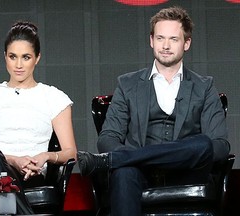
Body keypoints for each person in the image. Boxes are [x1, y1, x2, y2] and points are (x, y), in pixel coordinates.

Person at [77, 6, 230, 216]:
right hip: (140, 172)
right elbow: (108, 137)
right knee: (123, 174)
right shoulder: (128, 84)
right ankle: (126, 162)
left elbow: (221, 146)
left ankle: (120, 159)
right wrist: (134, 161)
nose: (165, 46)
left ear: (186, 43)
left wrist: (124, 156)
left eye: (173, 39)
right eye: (160, 38)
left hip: (187, 173)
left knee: (203, 144)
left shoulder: (204, 86)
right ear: (151, 40)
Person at [0, 21, 77, 214]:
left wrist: (45, 157)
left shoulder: (54, 97)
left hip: (32, 172)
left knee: (2, 176)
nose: (18, 65)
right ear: (5, 57)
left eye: (26, 57)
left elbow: (70, 152)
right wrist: (14, 160)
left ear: (37, 58)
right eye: (13, 57)